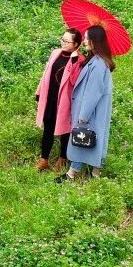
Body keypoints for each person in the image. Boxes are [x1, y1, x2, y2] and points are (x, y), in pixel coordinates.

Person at [58, 25, 114, 182]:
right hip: (94, 112)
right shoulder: (96, 61)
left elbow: (92, 93)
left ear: (96, 41)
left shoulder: (98, 64)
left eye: (88, 38)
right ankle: (94, 173)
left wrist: (83, 115)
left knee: (81, 140)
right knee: (93, 140)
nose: (84, 41)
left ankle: (72, 174)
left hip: (90, 112)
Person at [34, 28, 86, 171]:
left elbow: (75, 81)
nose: (63, 43)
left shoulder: (79, 60)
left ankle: (62, 159)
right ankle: (44, 160)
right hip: (50, 97)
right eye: (62, 39)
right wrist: (39, 92)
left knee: (65, 131)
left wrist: (74, 61)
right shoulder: (55, 53)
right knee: (48, 129)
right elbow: (45, 74)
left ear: (76, 44)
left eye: (67, 41)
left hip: (65, 101)